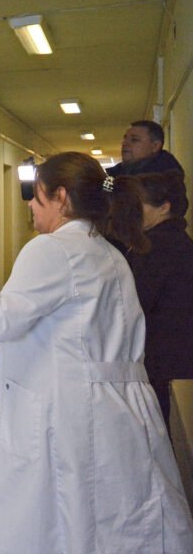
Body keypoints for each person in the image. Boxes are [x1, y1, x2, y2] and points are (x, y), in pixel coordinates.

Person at [0, 152, 193, 553]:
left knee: (60, 522)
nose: (30, 205)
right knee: (108, 523)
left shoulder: (50, 250)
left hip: (67, 414)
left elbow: (1, 321)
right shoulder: (111, 254)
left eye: (36, 195)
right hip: (118, 413)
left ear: (60, 197)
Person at [127, 170, 193, 427]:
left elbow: (138, 301)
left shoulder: (158, 246)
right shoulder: (172, 240)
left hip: (159, 352)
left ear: (164, 207)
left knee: (153, 424)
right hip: (167, 352)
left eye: (140, 205)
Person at [106, 119, 184, 176]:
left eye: (134, 140)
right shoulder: (114, 174)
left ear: (155, 146)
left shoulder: (165, 181)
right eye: (125, 138)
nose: (124, 143)